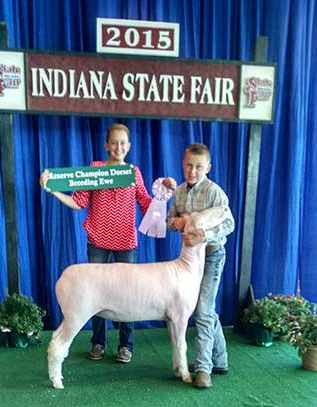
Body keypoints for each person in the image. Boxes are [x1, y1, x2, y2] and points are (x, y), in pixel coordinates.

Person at [40, 123, 173, 364]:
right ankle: (98, 343)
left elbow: (145, 204)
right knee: (93, 295)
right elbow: (79, 202)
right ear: (106, 145)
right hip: (98, 240)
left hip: (126, 242)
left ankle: (125, 345)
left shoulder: (134, 173)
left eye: (123, 142)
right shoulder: (95, 170)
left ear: (129, 146)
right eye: (113, 142)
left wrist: (162, 198)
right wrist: (53, 191)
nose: (118, 147)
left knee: (131, 295)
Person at [166, 143, 234, 389]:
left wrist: (203, 236)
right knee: (203, 309)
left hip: (213, 254)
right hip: (189, 261)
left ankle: (203, 367)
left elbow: (229, 224)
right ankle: (220, 359)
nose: (192, 171)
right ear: (183, 165)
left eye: (198, 167)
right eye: (188, 166)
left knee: (203, 309)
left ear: (208, 167)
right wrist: (175, 222)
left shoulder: (215, 192)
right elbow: (169, 220)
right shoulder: (180, 192)